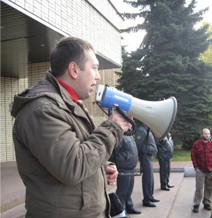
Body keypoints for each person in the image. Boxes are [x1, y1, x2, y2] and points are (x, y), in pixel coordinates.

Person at [10, 37, 132, 218]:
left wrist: (101, 167)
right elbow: (72, 166)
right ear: (74, 70)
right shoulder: (42, 110)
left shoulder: (67, 104)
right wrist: (112, 128)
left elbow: (78, 151)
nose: (98, 76)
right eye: (94, 68)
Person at [110, 135, 141, 216]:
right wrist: (118, 162)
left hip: (130, 167)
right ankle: (121, 211)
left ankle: (129, 206)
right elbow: (114, 151)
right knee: (122, 191)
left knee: (128, 190)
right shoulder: (120, 136)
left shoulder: (129, 136)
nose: (130, 126)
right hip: (123, 167)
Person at [191, 128, 212, 213]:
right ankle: (196, 204)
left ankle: (206, 203)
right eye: (205, 134)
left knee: (209, 188)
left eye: (208, 134)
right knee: (199, 188)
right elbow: (193, 156)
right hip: (200, 170)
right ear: (202, 134)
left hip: (210, 169)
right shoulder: (196, 144)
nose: (207, 135)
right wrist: (196, 167)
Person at [135, 123, 159, 207]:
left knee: (151, 178)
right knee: (147, 178)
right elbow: (138, 145)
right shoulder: (141, 130)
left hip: (149, 157)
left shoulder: (147, 129)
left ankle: (150, 196)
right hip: (145, 157)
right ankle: (146, 199)